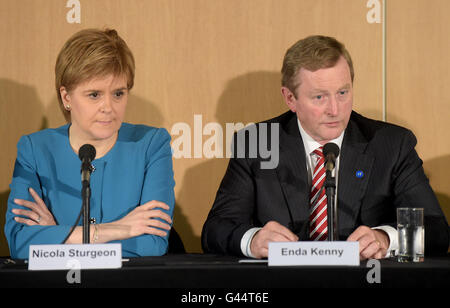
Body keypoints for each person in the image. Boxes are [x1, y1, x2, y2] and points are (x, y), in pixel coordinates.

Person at [202, 35, 449, 259]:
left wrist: (386, 238)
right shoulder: (256, 143)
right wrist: (253, 240)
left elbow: (436, 230)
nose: (335, 109)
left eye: (343, 92)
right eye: (319, 97)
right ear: (290, 98)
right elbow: (216, 229)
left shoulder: (391, 144)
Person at [5, 29, 175, 259]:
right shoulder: (35, 149)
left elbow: (151, 244)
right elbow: (20, 243)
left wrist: (56, 236)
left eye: (118, 93)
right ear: (66, 97)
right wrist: (115, 230)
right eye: (94, 95)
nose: (108, 106)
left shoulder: (151, 145)